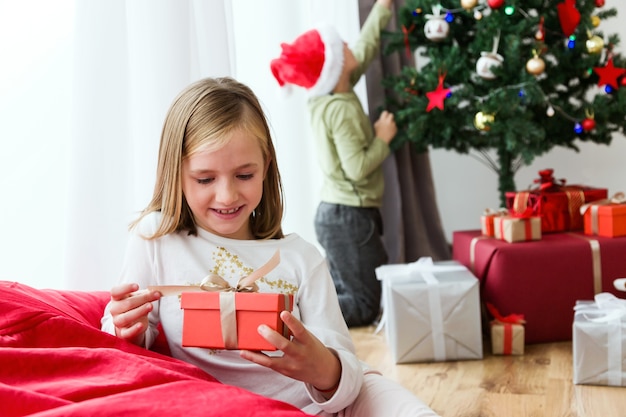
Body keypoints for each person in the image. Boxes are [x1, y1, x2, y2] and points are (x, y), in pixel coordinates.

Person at [101, 76, 438, 417]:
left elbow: (346, 371)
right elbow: (124, 340)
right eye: (205, 179)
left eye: (245, 175)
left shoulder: (300, 258)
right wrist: (125, 326)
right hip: (218, 407)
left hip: (320, 407)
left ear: (265, 168)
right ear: (176, 173)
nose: (227, 196)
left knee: (385, 395)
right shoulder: (157, 237)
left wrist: (323, 368)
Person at [270, 0, 396, 327]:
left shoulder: (329, 94)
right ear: (335, 65)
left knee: (347, 292)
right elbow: (356, 167)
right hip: (348, 216)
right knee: (365, 304)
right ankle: (291, 317)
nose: (348, 45)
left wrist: (382, 9)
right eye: (340, 46)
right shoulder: (341, 109)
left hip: (339, 214)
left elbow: (364, 50)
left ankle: (296, 312)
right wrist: (382, 137)